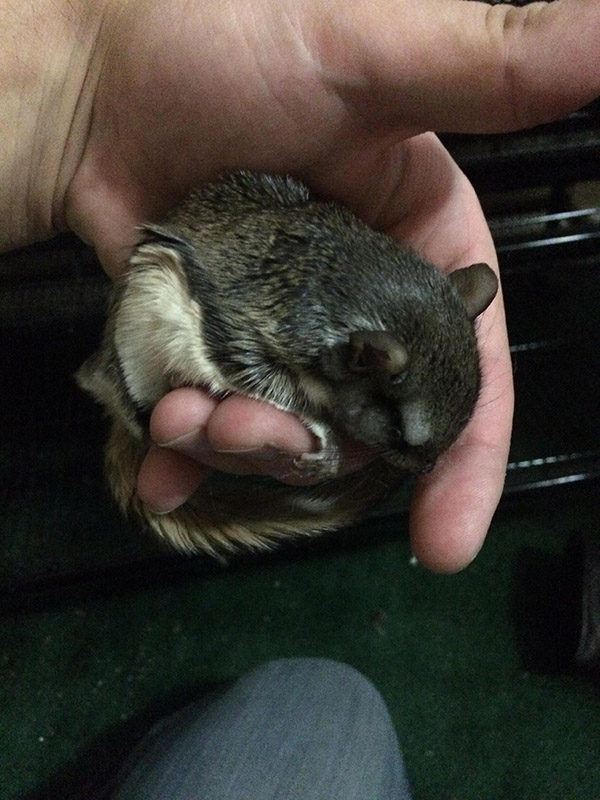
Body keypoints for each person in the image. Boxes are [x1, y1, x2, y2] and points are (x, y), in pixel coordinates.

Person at [4, 0, 600, 794]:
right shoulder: (307, 349)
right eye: (408, 435)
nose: (411, 461)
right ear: (361, 360)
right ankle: (130, 397)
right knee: (333, 713)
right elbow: (248, 351)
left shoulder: (373, 331)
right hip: (198, 297)